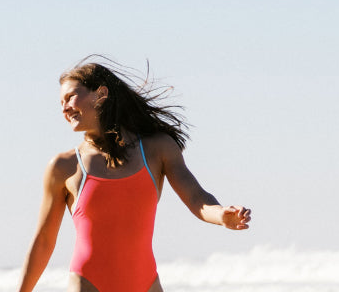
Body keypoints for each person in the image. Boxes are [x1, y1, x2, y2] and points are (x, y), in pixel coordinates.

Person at [17, 59, 251, 292]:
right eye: (60, 102)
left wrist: (221, 214)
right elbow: (44, 241)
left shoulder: (157, 149)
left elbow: (195, 197)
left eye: (70, 97)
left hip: (146, 284)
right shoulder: (64, 166)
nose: (64, 108)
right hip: (88, 284)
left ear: (101, 94)